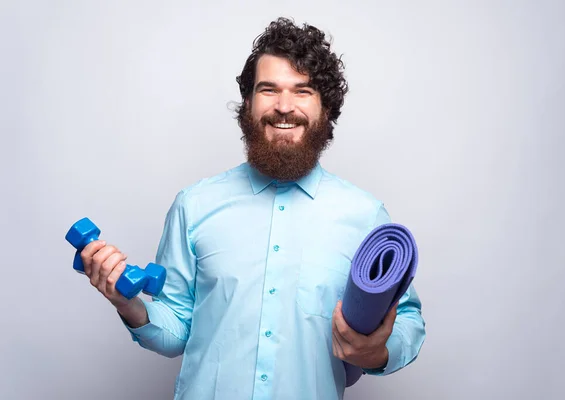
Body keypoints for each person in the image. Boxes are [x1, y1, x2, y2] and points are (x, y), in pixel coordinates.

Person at [80, 17, 426, 400]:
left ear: (325, 107)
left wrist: (377, 352)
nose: (283, 107)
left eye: (302, 91)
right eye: (268, 89)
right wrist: (128, 304)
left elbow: (408, 321)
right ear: (248, 103)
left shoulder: (364, 216)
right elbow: (176, 329)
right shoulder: (194, 206)